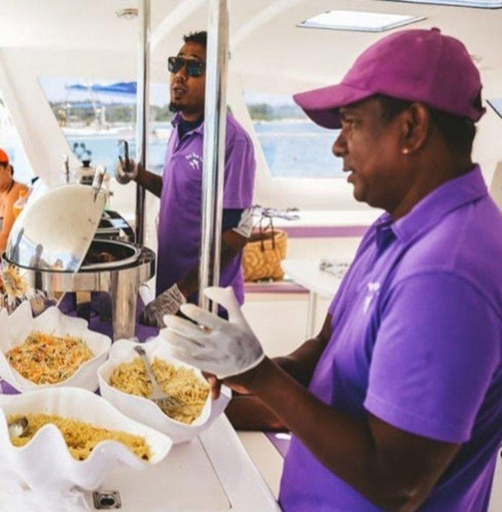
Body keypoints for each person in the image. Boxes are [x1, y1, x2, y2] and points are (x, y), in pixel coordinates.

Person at [162, 28, 501, 511]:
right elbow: (324, 350)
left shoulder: (447, 273)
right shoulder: (393, 228)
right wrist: (239, 369)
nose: (338, 146)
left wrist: (260, 376)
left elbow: (395, 483)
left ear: (412, 127)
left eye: (351, 123)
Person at [116, 31, 256, 327]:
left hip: (206, 305)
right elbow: (177, 193)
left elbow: (235, 236)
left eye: (194, 68)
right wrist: (138, 174)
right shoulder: (179, 128)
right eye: (175, 64)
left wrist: (179, 293)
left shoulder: (232, 142)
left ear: (217, 80)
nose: (179, 75)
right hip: (172, 289)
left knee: (202, 376)